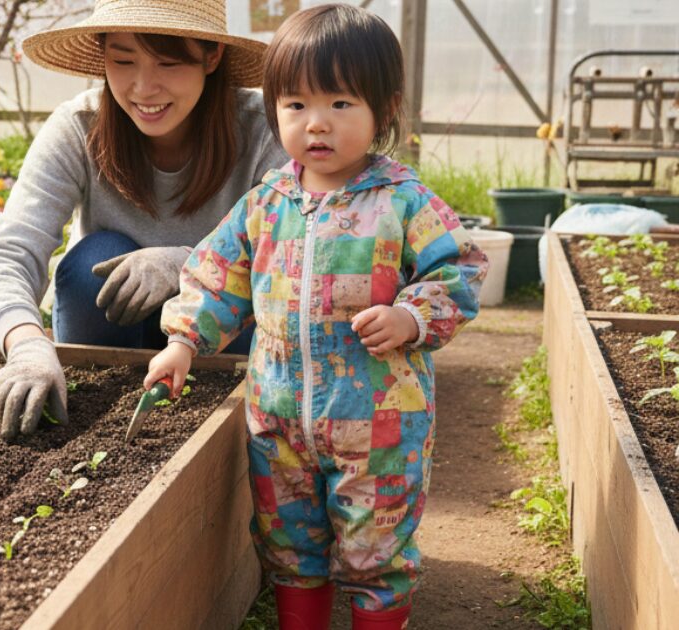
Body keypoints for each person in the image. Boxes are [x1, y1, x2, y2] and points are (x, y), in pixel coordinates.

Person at [144, 5, 488, 629]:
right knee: (288, 544)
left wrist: (411, 316)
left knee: (375, 549)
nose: (316, 124)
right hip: (277, 421)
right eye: (296, 105)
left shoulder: (403, 201)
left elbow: (460, 271)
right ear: (274, 108)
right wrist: (183, 342)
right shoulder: (266, 204)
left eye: (341, 104)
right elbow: (216, 276)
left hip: (380, 426)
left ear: (385, 109)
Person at [0, 0, 287, 441]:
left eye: (168, 62)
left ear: (210, 56)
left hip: (223, 343)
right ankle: (92, 418)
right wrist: (26, 345)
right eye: (123, 60)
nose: (143, 87)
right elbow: (10, 251)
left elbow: (298, 257)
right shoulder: (79, 127)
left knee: (248, 296)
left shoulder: (262, 131)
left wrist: (186, 265)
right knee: (95, 261)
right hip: (110, 333)